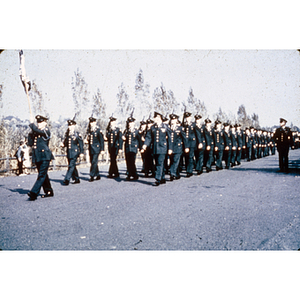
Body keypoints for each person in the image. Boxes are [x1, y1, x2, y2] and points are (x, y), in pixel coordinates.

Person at [27, 115, 54, 201]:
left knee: (41, 175)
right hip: (38, 156)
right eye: (37, 122)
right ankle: (49, 191)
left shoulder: (46, 131)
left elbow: (39, 132)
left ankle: (34, 193)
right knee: (43, 174)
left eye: (41, 122)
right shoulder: (36, 132)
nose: (39, 124)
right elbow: (30, 143)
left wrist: (32, 124)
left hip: (45, 156)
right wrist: (31, 132)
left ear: (45, 123)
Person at [142, 111, 171, 186]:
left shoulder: (165, 126)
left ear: (161, 119)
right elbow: (148, 137)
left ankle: (157, 178)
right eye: (155, 118)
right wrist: (145, 145)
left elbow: (170, 139)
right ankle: (162, 178)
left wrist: (170, 148)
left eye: (158, 118)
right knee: (158, 163)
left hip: (163, 148)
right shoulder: (152, 127)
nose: (156, 119)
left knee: (160, 163)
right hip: (154, 148)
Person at [60, 119, 84, 185]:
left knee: (71, 165)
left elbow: (81, 144)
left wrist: (81, 152)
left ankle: (67, 179)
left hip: (75, 152)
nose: (70, 127)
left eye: (71, 125)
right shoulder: (67, 134)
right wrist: (63, 144)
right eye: (69, 126)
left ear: (74, 126)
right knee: (72, 166)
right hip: (69, 152)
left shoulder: (77, 134)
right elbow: (66, 142)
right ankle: (76, 179)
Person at [85, 116, 105, 182]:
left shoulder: (98, 130)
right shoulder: (89, 131)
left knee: (94, 161)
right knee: (93, 162)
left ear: (95, 122)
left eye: (93, 122)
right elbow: (88, 139)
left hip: (97, 148)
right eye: (91, 122)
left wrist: (102, 149)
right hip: (91, 148)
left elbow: (101, 140)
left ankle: (92, 175)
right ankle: (97, 174)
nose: (92, 124)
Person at [168, 113, 187, 180]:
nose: (172, 121)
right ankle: (177, 174)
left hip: (178, 147)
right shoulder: (168, 128)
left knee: (176, 161)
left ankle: (172, 173)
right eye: (171, 119)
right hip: (170, 147)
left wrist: (186, 147)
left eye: (174, 119)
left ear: (176, 120)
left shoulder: (180, 128)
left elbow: (184, 138)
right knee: (172, 160)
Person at [122, 114, 141, 181]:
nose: (130, 124)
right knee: (128, 161)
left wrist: (140, 147)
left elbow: (139, 139)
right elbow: (123, 137)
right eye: (129, 123)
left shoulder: (136, 131)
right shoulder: (126, 131)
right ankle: (130, 174)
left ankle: (134, 174)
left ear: (133, 123)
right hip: (127, 148)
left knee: (132, 161)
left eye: (131, 123)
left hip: (133, 148)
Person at [182, 111, 196, 177]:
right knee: (186, 157)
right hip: (185, 143)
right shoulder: (183, 125)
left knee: (190, 156)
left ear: (190, 117)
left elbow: (197, 134)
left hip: (192, 143)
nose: (187, 119)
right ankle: (188, 169)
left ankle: (189, 171)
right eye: (186, 117)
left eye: (188, 117)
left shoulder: (193, 125)